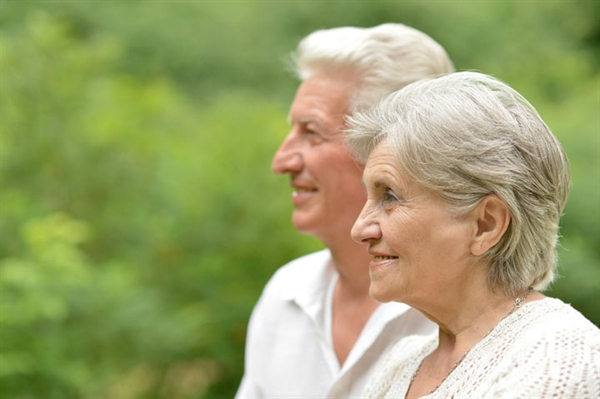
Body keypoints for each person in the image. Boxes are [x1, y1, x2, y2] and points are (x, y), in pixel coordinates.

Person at [346, 71, 600, 398]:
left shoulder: (560, 361)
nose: (359, 229)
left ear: (486, 225)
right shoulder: (403, 363)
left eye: (390, 196)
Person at [236, 24, 455, 398]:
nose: (281, 161)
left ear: (390, 149)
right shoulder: (286, 295)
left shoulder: (463, 316)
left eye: (311, 132)